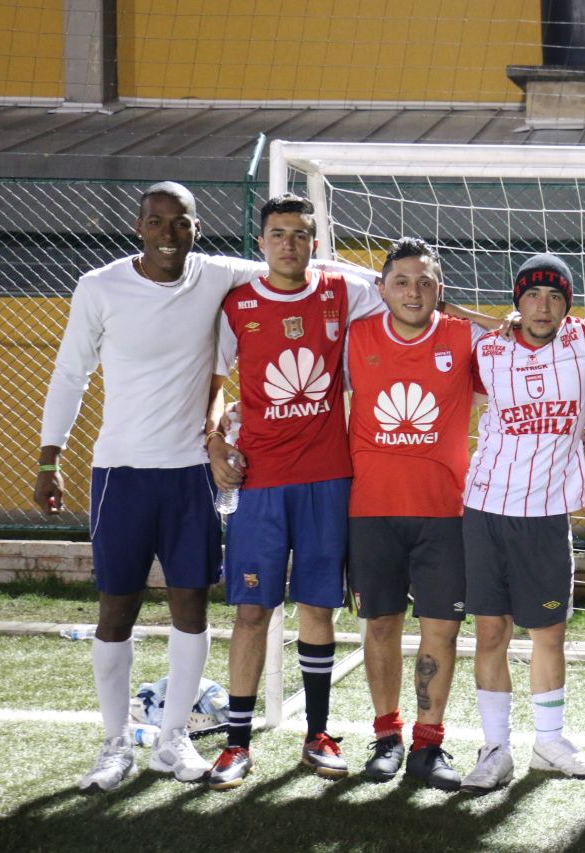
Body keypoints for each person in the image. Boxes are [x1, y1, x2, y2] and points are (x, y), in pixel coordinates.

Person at [36, 181, 265, 792]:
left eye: (180, 222)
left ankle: (173, 741)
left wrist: (384, 287)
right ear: (139, 226)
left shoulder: (215, 275)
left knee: (191, 607)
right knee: (117, 608)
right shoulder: (100, 286)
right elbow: (70, 373)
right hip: (120, 474)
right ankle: (114, 746)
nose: (168, 233)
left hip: (190, 474)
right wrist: (47, 458)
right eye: (157, 221)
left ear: (195, 228)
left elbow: (295, 264)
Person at [204, 194, 383, 789]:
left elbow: (415, 290)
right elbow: (215, 382)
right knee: (252, 611)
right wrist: (214, 444)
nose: (288, 243)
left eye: (300, 234)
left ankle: (318, 734)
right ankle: (236, 742)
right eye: (277, 234)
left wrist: (496, 324)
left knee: (317, 607)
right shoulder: (238, 304)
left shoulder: (342, 291)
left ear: (314, 241)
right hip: (260, 482)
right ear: (261, 242)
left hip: (328, 476)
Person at [459, 253, 585, 793]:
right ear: (517, 300)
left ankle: (549, 741)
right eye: (533, 295)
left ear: (569, 304)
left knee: (549, 632)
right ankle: (495, 747)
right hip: (485, 506)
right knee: (491, 630)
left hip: (544, 515)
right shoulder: (486, 348)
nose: (543, 305)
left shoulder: (584, 342)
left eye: (556, 296)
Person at [343, 238, 495, 790]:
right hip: (372, 509)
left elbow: (514, 373)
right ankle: (387, 737)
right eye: (401, 281)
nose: (413, 291)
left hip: (444, 512)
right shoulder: (355, 337)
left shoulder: (463, 339)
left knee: (442, 629)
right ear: (381, 288)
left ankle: (428, 747)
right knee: (381, 623)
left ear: (441, 292)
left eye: (426, 281)